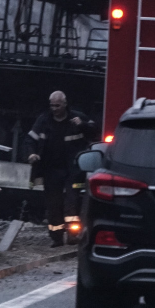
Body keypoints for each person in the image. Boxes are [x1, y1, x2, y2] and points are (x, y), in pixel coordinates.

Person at [25, 91, 97, 247]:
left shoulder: (77, 118)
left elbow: (95, 132)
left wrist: (82, 125)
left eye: (57, 105)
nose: (54, 109)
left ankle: (72, 235)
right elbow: (30, 139)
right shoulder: (44, 120)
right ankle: (56, 237)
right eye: (52, 105)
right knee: (53, 204)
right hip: (51, 170)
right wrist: (31, 154)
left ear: (65, 104)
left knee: (72, 202)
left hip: (74, 171)